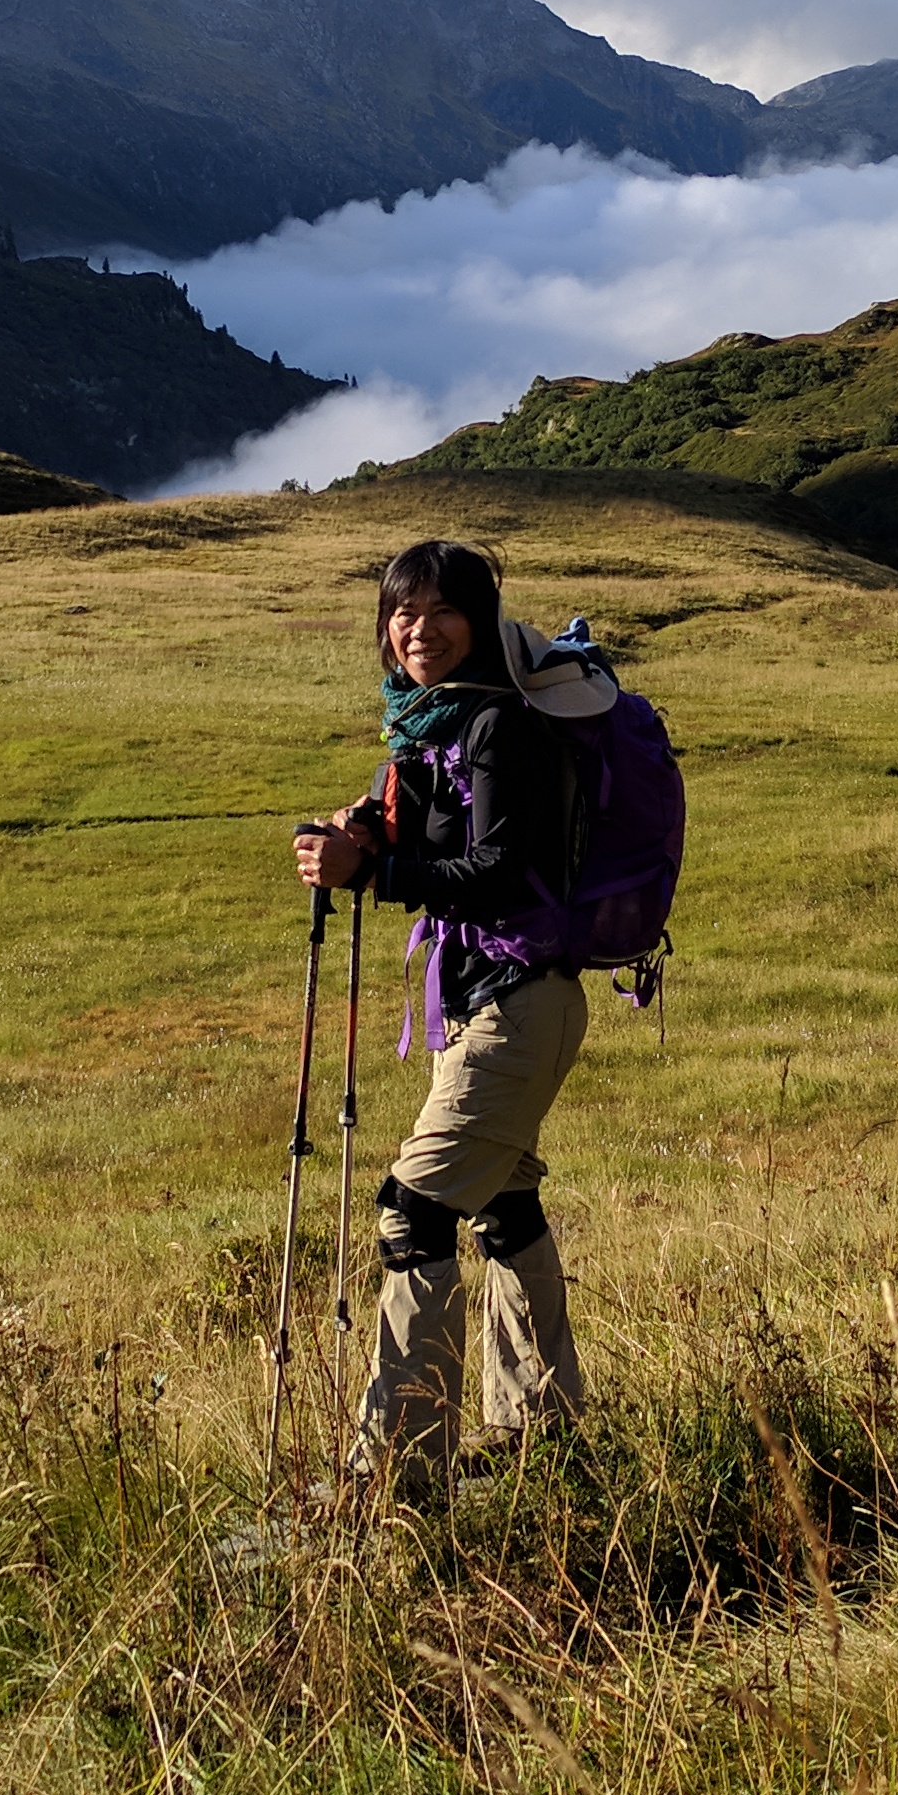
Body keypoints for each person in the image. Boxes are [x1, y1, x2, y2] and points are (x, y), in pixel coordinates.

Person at [294, 536, 615, 1483]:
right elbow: (445, 839)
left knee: (414, 1211)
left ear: (479, 622)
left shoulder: (498, 725)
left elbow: (501, 870)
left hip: (519, 1005)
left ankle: (400, 1471)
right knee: (504, 1205)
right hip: (487, 1000)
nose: (419, 629)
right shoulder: (430, 725)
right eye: (404, 612)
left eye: (442, 611)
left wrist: (371, 873)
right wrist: (369, 830)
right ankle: (541, 1434)